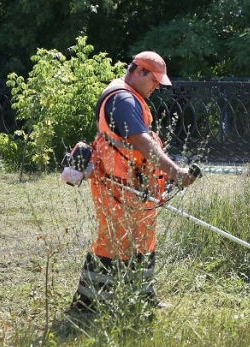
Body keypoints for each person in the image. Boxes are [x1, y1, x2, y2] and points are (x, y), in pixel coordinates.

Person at [70, 51, 198, 312]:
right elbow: (142, 142)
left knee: (144, 239)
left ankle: (141, 296)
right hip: (117, 184)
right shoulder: (123, 99)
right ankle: (88, 305)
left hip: (136, 186)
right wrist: (175, 172)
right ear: (139, 71)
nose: (157, 87)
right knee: (112, 241)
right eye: (154, 80)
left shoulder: (131, 97)